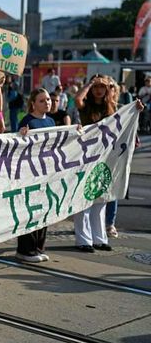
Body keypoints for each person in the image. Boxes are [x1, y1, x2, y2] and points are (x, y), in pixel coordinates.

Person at [73, 75, 115, 251]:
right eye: (96, 87)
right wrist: (89, 83)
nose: (99, 90)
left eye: (102, 87)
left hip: (103, 156)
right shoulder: (87, 106)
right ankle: (83, 239)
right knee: (84, 198)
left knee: (100, 199)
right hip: (85, 156)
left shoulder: (110, 106)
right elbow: (77, 99)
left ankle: (99, 238)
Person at [15, 88, 57, 263]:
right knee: (30, 211)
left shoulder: (51, 121)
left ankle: (39, 247)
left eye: (48, 99)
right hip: (30, 173)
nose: (47, 102)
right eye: (42, 100)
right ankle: (25, 249)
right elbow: (17, 145)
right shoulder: (28, 121)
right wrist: (21, 135)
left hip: (46, 172)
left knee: (44, 210)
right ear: (33, 103)